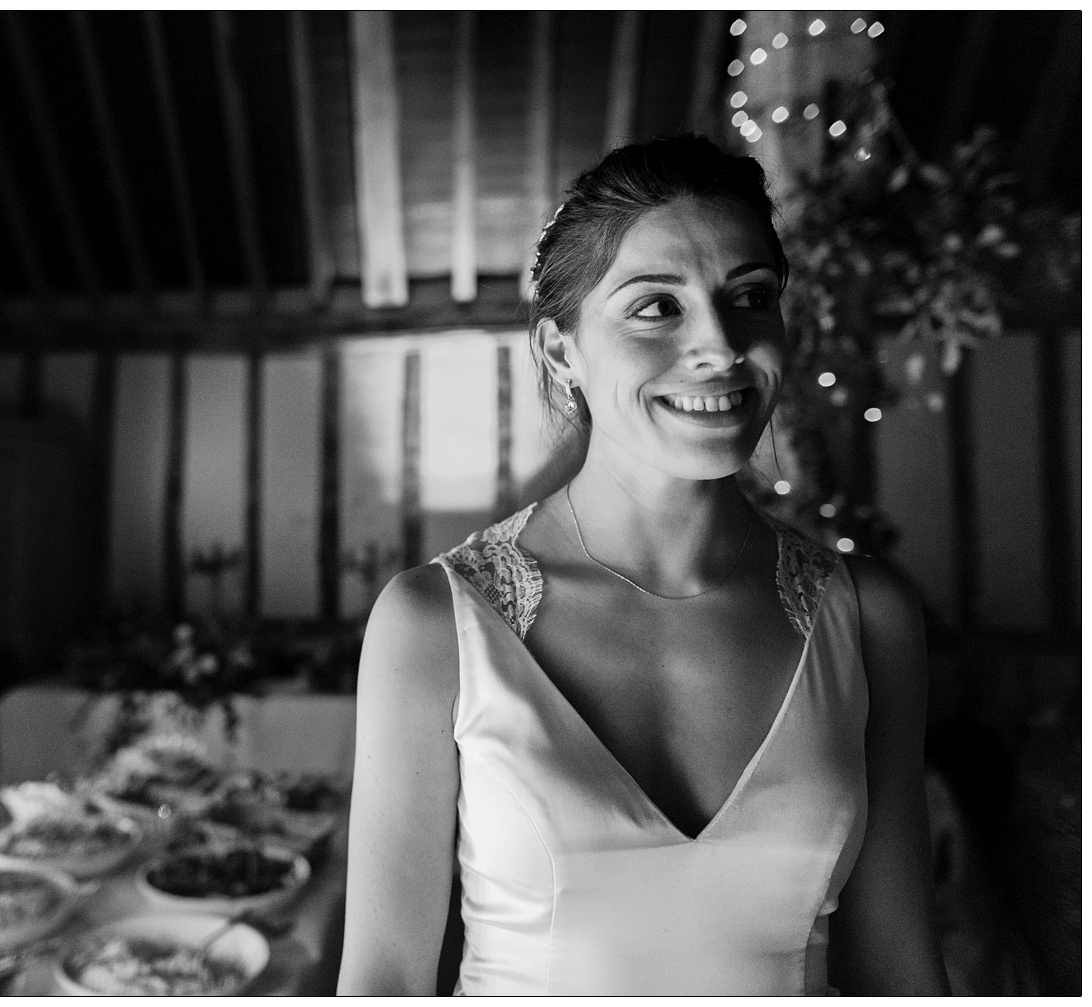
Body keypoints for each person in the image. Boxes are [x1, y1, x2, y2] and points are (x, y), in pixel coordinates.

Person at [337, 135, 949, 995]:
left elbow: (899, 969)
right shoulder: (436, 622)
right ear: (561, 352)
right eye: (656, 307)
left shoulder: (869, 615)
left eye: (750, 297)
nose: (720, 345)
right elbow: (387, 979)